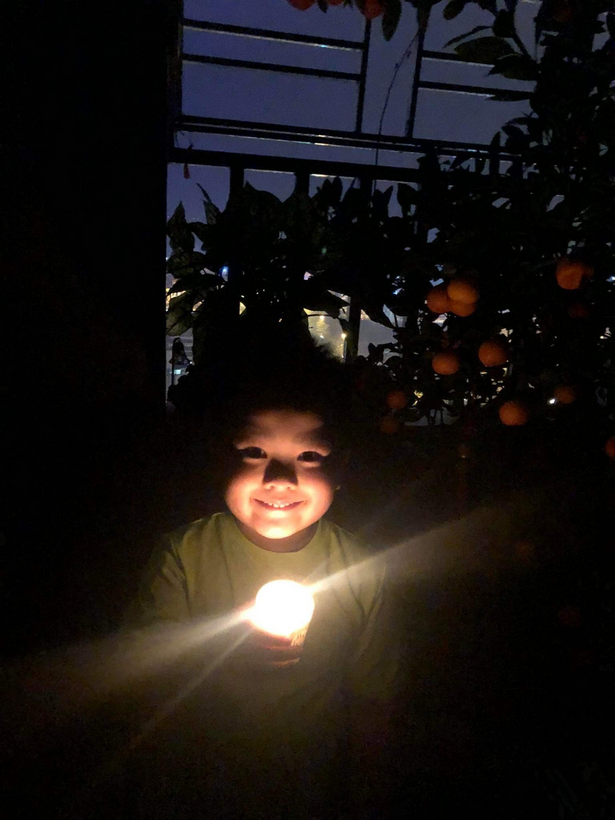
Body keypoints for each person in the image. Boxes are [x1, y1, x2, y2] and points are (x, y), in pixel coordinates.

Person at [122, 329, 402, 820]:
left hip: (311, 787)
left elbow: (373, 700)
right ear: (219, 456)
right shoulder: (183, 556)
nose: (280, 479)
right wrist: (219, 653)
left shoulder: (362, 570)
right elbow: (144, 678)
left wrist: (365, 790)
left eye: (309, 456)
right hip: (195, 784)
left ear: (341, 468)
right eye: (253, 451)